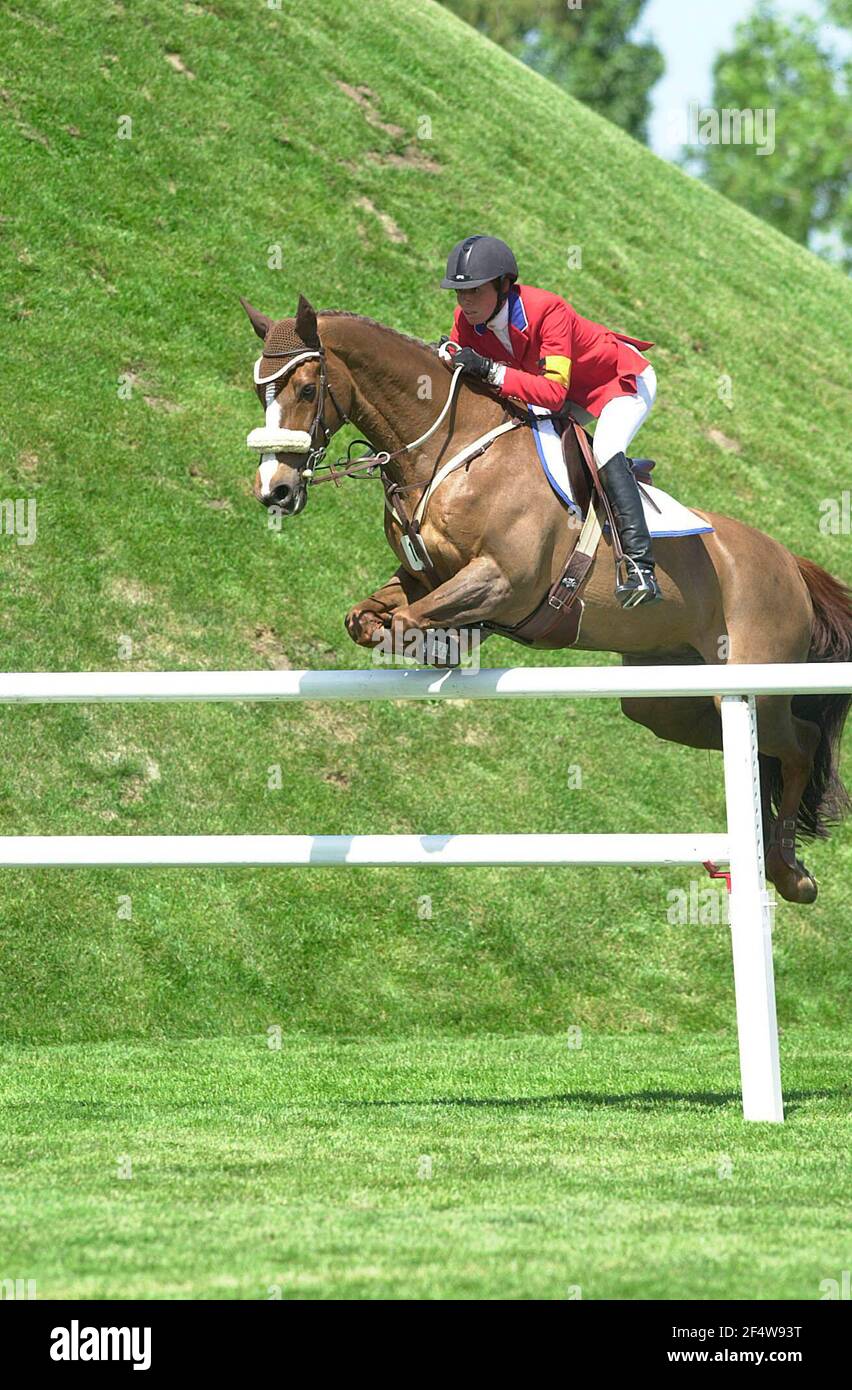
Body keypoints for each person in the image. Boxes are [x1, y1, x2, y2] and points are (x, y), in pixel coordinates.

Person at [438, 234, 662, 608]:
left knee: (607, 449)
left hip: (618, 381)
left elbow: (554, 394)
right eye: (460, 292)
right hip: (562, 392)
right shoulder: (468, 319)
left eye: (475, 291)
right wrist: (448, 354)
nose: (465, 301)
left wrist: (491, 370)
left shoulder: (548, 311)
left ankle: (640, 567)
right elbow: (462, 358)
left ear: (503, 285)